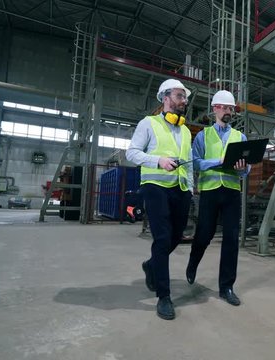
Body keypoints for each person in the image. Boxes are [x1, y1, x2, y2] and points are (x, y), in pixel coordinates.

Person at [126, 78, 194, 320]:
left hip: (180, 188)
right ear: (165, 98)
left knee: (176, 237)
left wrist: (191, 189)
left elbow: (190, 163)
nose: (184, 101)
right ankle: (164, 296)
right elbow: (131, 153)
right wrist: (158, 161)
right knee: (163, 238)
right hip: (155, 186)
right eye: (179, 96)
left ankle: (151, 264)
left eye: (185, 97)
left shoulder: (186, 131)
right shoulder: (148, 123)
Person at [187, 90, 250, 306]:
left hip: (232, 191)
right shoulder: (203, 136)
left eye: (231, 109)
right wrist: (218, 162)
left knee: (231, 239)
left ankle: (226, 287)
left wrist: (242, 169)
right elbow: (195, 162)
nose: (228, 112)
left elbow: (246, 169)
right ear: (215, 108)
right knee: (204, 233)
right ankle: (193, 263)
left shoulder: (240, 137)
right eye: (224, 108)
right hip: (210, 190)